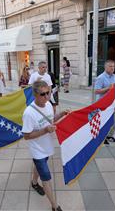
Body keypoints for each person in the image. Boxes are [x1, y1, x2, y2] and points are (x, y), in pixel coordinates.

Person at [22, 80, 69, 211]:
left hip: (47, 147)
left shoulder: (48, 104)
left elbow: (51, 119)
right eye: (43, 94)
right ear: (35, 95)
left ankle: (34, 182)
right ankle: (55, 206)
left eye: (48, 92)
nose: (47, 96)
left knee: (39, 167)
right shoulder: (29, 113)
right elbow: (26, 136)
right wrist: (45, 130)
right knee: (47, 178)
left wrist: (62, 114)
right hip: (37, 150)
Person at [94, 60, 115, 145]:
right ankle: (102, 137)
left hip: (113, 103)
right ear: (105, 67)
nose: (112, 68)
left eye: (113, 66)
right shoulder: (101, 78)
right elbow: (96, 91)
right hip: (104, 104)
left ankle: (110, 135)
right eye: (110, 66)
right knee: (104, 122)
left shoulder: (114, 77)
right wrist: (107, 88)